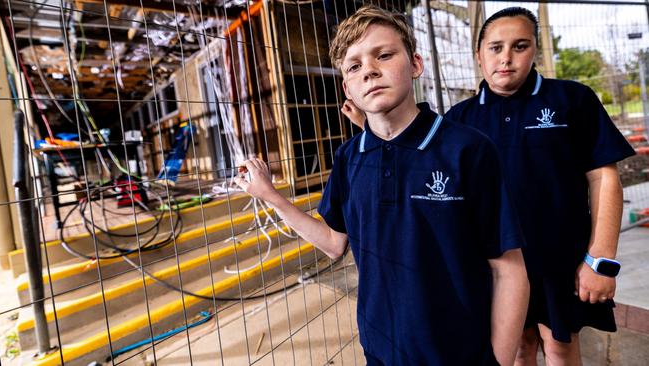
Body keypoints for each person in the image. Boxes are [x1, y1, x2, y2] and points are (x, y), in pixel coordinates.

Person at [235, 5, 529, 365]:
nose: (369, 71)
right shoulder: (348, 158)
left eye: (384, 55)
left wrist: (497, 362)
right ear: (347, 87)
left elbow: (509, 270)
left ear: (415, 64)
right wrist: (271, 196)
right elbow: (332, 243)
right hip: (381, 350)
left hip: (460, 352)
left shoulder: (467, 149)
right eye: (354, 66)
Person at [442, 7, 636, 366]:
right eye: (495, 48)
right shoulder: (459, 120)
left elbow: (604, 178)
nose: (506, 58)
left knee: (560, 345)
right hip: (494, 263)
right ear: (479, 55)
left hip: (560, 259)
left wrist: (600, 260)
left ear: (535, 51)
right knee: (516, 346)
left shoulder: (571, 100)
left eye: (519, 46)